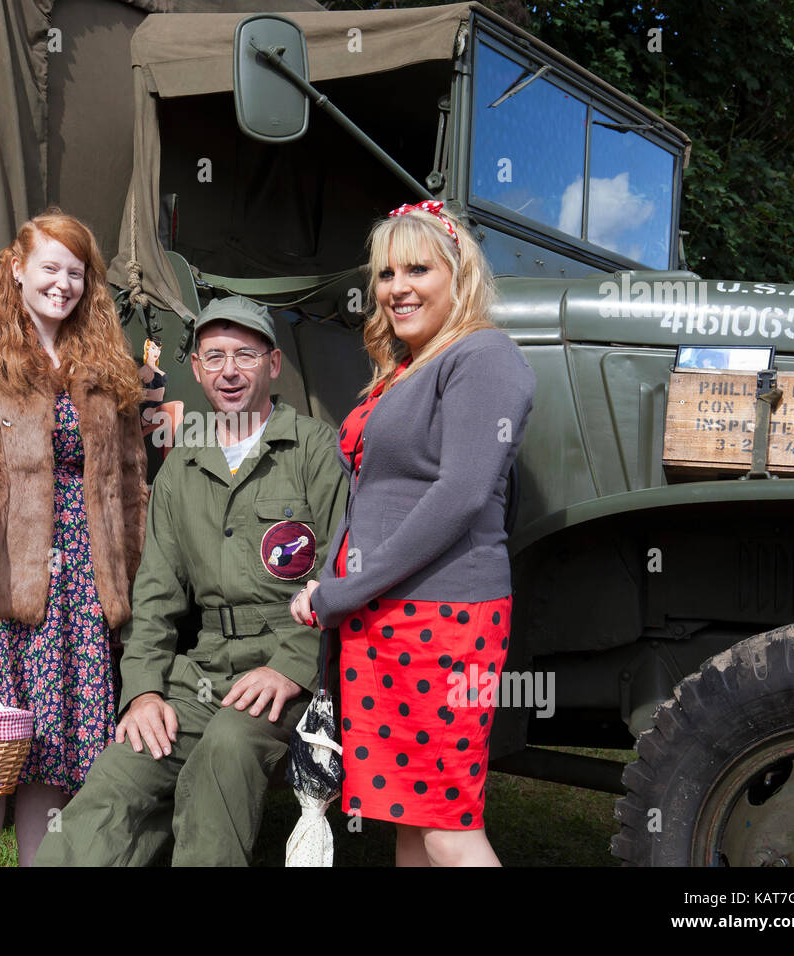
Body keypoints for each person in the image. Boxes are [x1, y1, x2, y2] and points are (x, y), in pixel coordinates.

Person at [35, 295, 349, 866]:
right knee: (120, 777)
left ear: (273, 365)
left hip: (287, 671)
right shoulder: (183, 464)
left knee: (225, 754)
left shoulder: (314, 451)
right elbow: (155, 595)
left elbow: (341, 569)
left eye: (244, 356)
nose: (229, 371)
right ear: (198, 369)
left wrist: (293, 664)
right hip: (201, 674)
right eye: (214, 357)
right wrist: (144, 692)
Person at [291, 200, 535, 867]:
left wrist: (341, 592)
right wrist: (341, 587)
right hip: (388, 617)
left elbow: (459, 495)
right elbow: (376, 494)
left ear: (458, 273)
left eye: (418, 268)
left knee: (449, 827)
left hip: (441, 620)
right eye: (386, 273)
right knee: (408, 818)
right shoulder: (411, 364)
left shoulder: (484, 356)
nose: (397, 287)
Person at [0, 209, 148, 867]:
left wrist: (136, 582)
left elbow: (129, 480)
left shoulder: (104, 361)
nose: (64, 284)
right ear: (16, 268)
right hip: (1, 574)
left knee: (52, 749)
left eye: (76, 273)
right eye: (51, 268)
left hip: (79, 581)